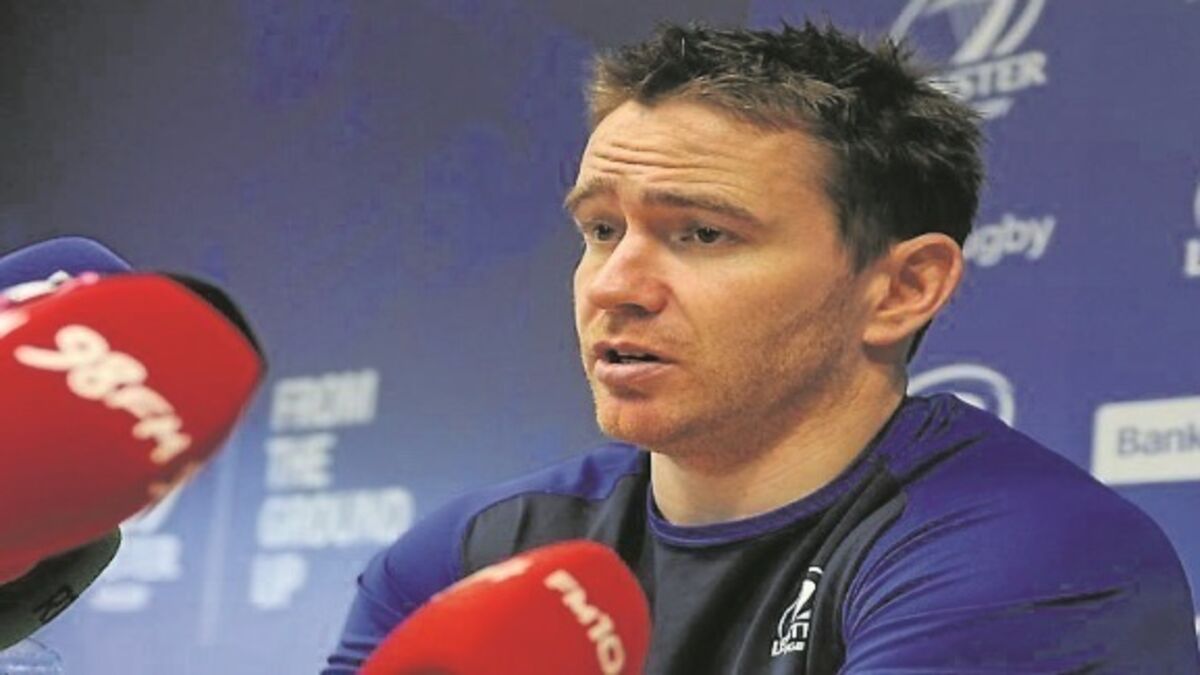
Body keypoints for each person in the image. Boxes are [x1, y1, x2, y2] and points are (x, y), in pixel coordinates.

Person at [324, 22, 1199, 674]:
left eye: (702, 233)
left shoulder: (1033, 553)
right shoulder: (471, 553)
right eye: (601, 229)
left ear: (903, 288)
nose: (615, 285)